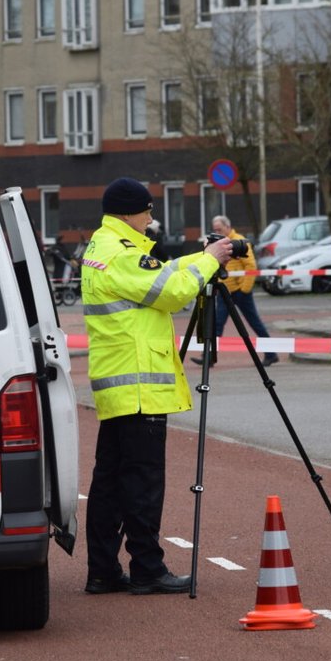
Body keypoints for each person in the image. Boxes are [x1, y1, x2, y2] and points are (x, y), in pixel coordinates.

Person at [80, 177, 233, 595]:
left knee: (109, 483)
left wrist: (198, 257)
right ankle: (148, 568)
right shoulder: (124, 253)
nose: (151, 219)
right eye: (147, 211)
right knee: (143, 483)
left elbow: (158, 275)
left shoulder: (101, 246)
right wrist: (209, 262)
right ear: (129, 213)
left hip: (117, 384)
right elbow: (172, 292)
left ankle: (103, 570)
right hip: (140, 385)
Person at [194, 215, 278, 367]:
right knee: (217, 324)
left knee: (254, 323)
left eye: (220, 229)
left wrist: (244, 289)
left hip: (239, 291)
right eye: (215, 230)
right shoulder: (218, 245)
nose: (218, 232)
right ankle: (209, 357)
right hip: (224, 291)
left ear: (228, 227)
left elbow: (251, 265)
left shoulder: (238, 241)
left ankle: (271, 354)